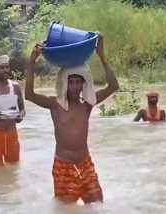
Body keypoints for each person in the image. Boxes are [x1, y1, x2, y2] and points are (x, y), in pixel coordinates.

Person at [25, 34, 119, 204]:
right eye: (71, 82)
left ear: (85, 84)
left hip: (85, 165)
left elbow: (114, 86)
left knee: (98, 206)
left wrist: (101, 55)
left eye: (79, 82)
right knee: (66, 209)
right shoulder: (54, 105)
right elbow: (29, 95)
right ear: (64, 83)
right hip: (63, 167)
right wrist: (32, 61)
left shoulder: (87, 104)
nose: (75, 86)